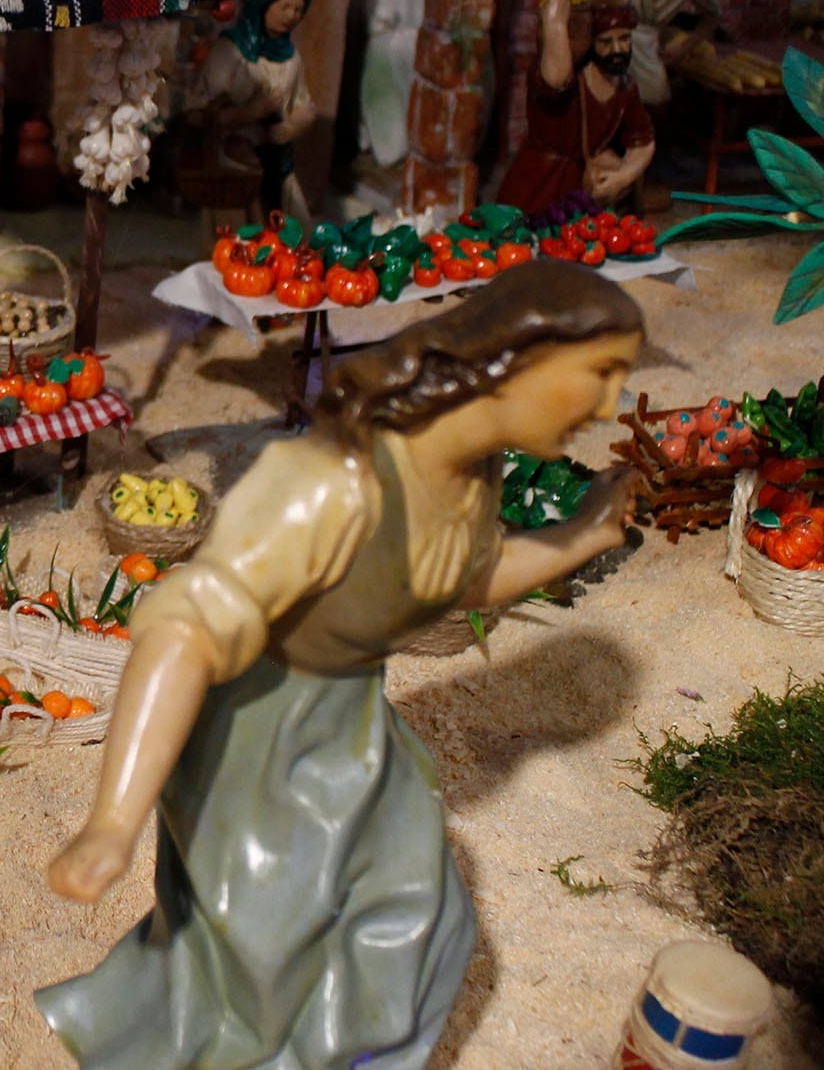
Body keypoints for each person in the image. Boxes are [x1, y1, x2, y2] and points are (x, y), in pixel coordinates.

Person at [38, 261, 646, 1069]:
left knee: (418, 908)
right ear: (518, 358)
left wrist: (584, 536)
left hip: (350, 724)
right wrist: (113, 820)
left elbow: (460, 575)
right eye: (601, 373)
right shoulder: (325, 487)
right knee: (266, 954)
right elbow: (181, 630)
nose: (608, 406)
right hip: (258, 735)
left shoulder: (469, 472)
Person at [495, 0, 655, 212]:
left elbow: (642, 140)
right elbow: (555, 81)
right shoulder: (567, 76)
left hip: (582, 190)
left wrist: (623, 177)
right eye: (606, 42)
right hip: (539, 181)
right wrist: (555, 23)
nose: (618, 49)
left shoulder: (626, 88)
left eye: (624, 39)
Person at [191, 0, 316, 230]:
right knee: (238, 231)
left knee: (293, 227)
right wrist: (250, 113)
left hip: (275, 158)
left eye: (298, 10)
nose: (292, 16)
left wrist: (291, 126)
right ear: (263, 3)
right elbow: (198, 114)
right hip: (234, 164)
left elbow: (302, 104)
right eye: (285, 7)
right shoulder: (231, 51)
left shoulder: (291, 58)